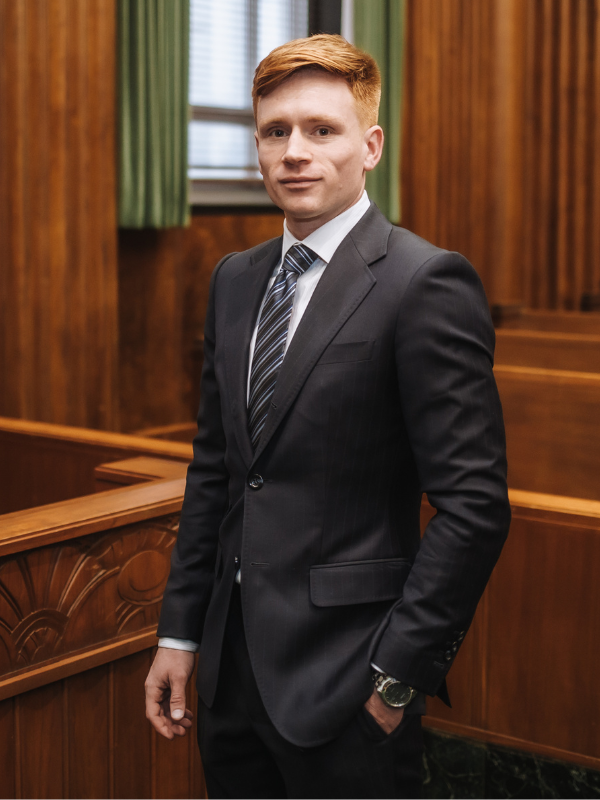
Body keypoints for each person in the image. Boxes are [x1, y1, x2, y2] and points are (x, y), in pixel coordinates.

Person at [145, 34, 511, 799]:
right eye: (276, 132)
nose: (295, 152)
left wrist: (396, 680)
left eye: (322, 130)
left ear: (371, 145)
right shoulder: (235, 280)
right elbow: (215, 468)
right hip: (230, 677)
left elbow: (474, 507)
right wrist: (181, 634)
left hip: (351, 684)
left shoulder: (424, 282)